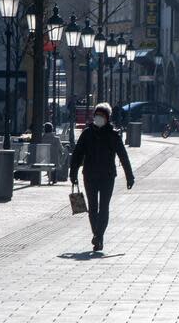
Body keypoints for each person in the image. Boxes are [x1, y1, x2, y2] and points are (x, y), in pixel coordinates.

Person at [70, 103, 134, 252]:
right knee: (92, 208)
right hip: (90, 175)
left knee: (104, 207)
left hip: (107, 176)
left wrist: (129, 176)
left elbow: (123, 156)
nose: (98, 118)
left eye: (101, 115)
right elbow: (78, 153)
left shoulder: (113, 135)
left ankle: (98, 236)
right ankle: (97, 236)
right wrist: (73, 173)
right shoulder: (87, 133)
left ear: (107, 118)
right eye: (96, 115)